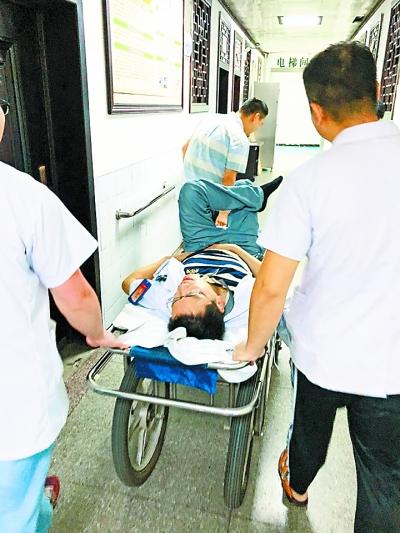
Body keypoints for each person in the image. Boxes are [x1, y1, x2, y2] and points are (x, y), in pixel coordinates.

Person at [234, 41, 400, 531]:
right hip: (393, 366)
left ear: (316, 112)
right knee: (384, 483)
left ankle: (297, 485)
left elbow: (271, 287)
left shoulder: (308, 181)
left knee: (309, 435)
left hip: (324, 352)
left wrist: (251, 347)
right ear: (377, 90)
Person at [0, 99, 127, 532]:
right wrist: (96, 333)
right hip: (13, 411)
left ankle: (36, 500)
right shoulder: (23, 198)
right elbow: (75, 296)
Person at [122, 178, 282, 341]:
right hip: (242, 247)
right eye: (192, 293)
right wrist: (233, 249)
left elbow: (129, 282)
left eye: (176, 298)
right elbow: (275, 280)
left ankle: (255, 196)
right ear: (219, 303)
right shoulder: (245, 300)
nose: (182, 287)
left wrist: (172, 258)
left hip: (199, 244)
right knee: (243, 185)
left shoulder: (167, 303)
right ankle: (255, 196)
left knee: (191, 191)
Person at [182, 98, 268, 228]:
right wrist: (223, 213)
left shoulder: (210, 118)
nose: (257, 128)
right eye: (261, 124)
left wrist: (191, 177)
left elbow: (184, 148)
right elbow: (228, 178)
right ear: (256, 117)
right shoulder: (239, 139)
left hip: (185, 193)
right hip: (206, 203)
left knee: (192, 235)